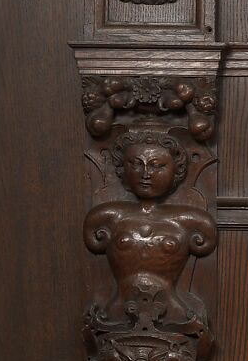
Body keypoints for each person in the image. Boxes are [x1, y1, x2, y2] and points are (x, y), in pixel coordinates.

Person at [83, 129, 216, 331]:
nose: (146, 174)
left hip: (175, 315)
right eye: (136, 164)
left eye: (157, 166)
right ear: (122, 168)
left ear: (176, 170)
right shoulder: (106, 216)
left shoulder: (194, 222)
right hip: (114, 315)